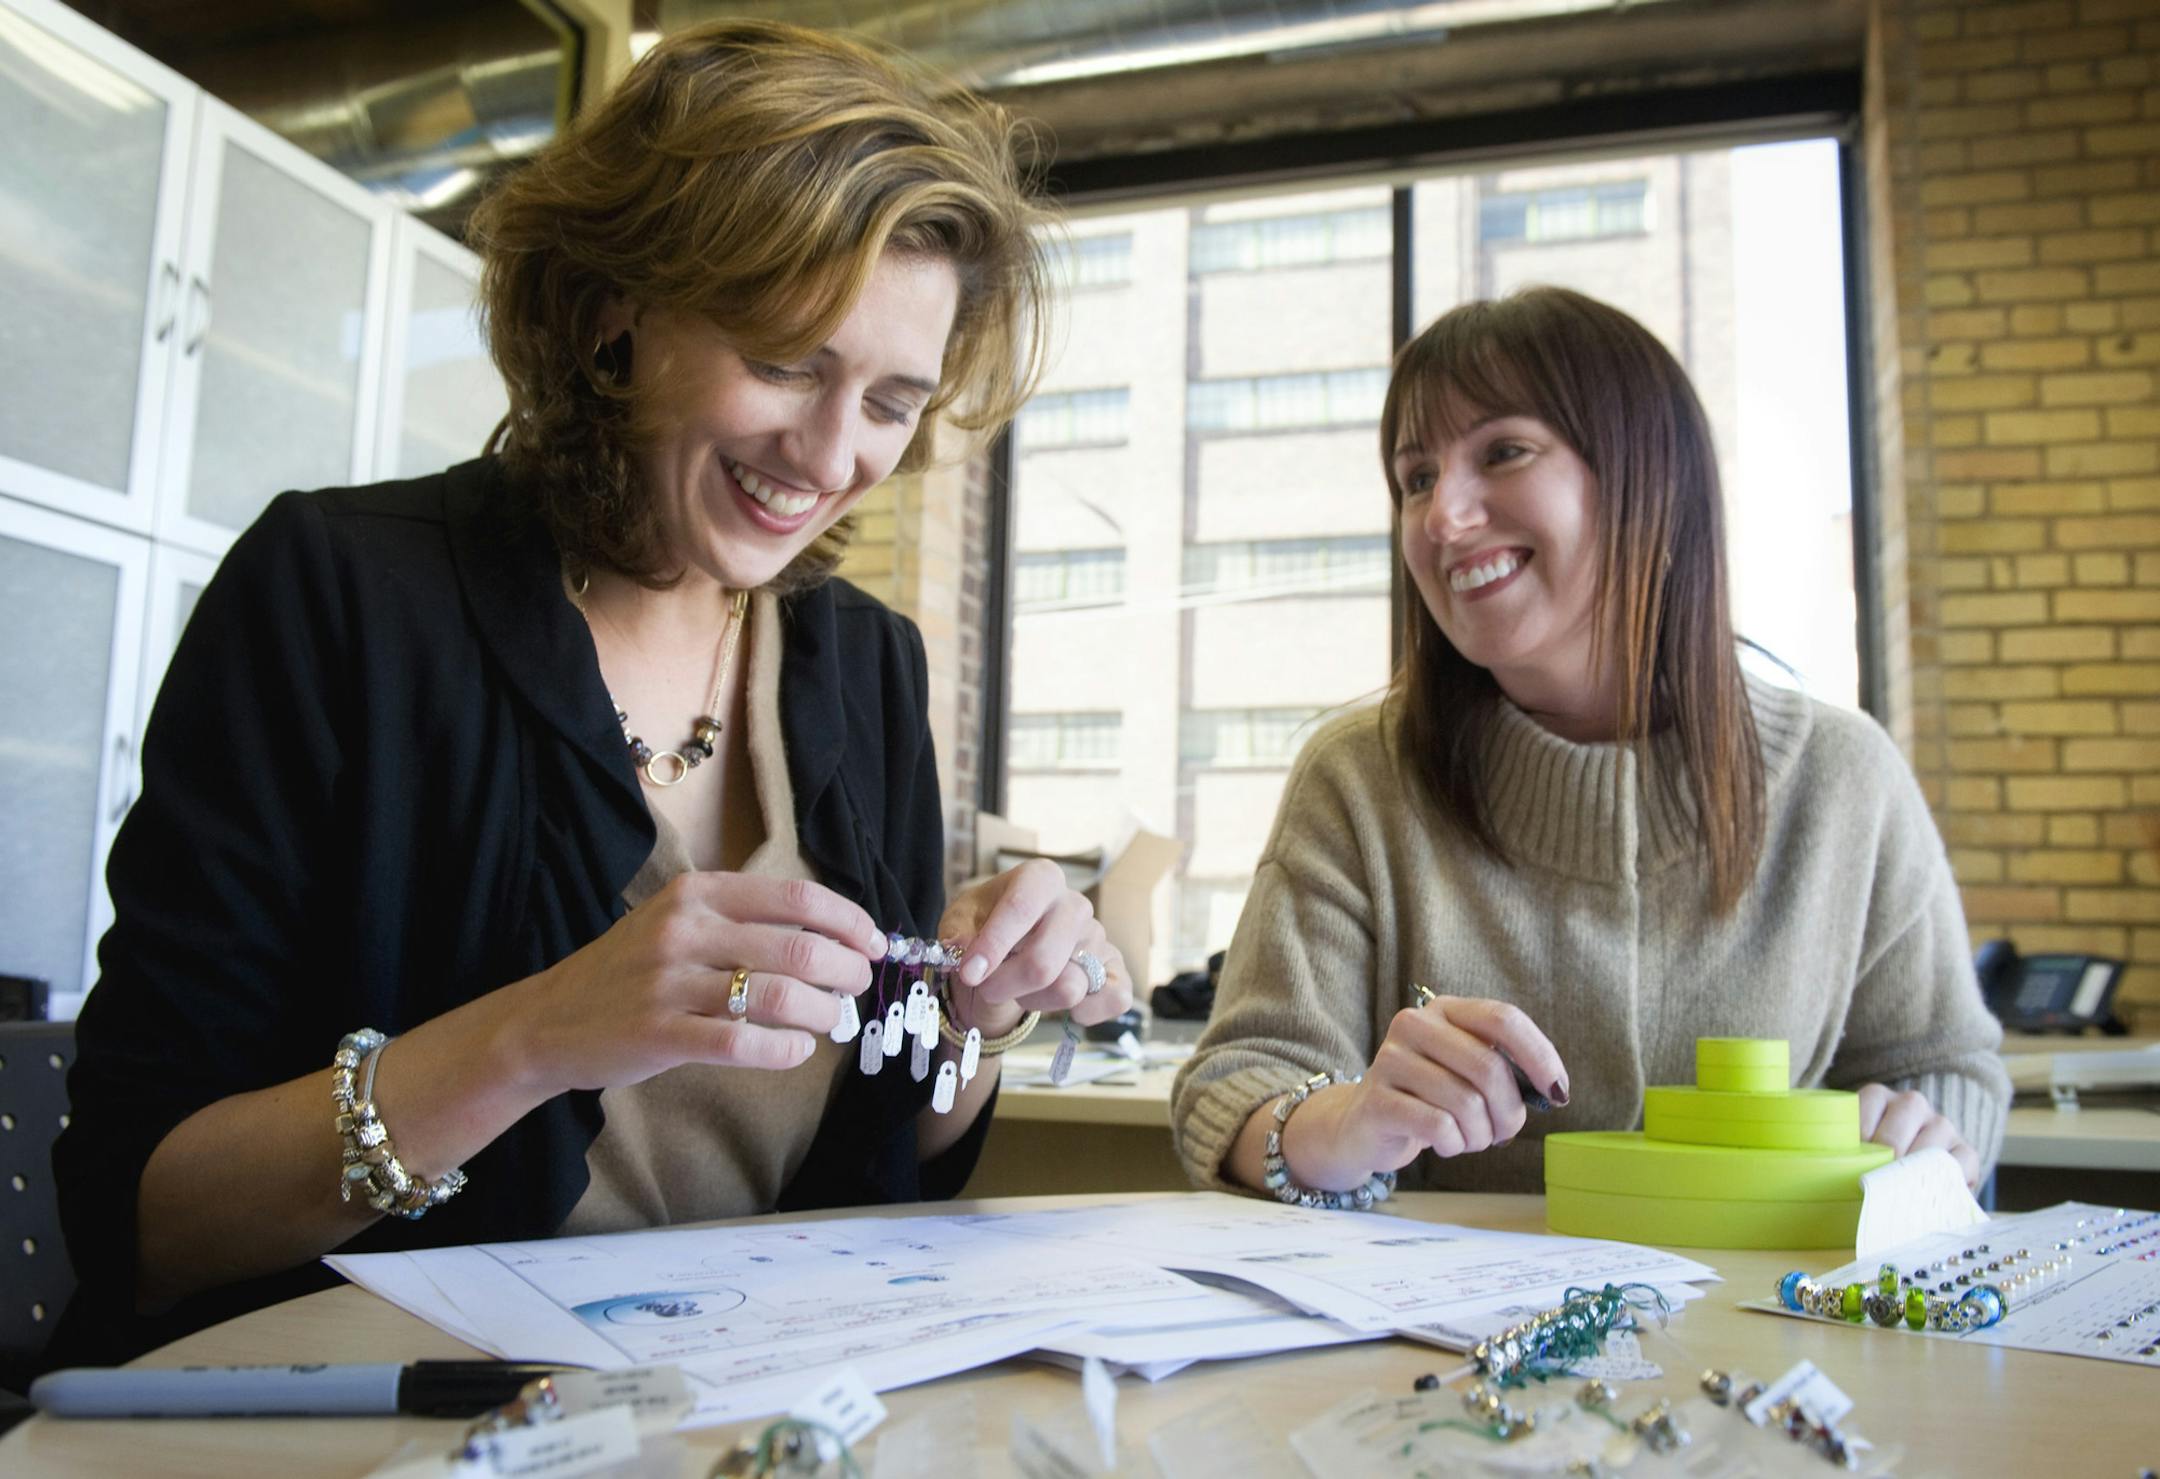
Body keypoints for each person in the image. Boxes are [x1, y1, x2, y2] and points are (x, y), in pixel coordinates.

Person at [51, 19, 1129, 1366]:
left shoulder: (865, 662)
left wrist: (969, 1016)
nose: (832, 452)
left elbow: (894, 1153)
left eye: (893, 401)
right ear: (618, 307)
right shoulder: (339, 594)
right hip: (376, 1419)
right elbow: (145, 1215)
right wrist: (538, 1032)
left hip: (754, 1413)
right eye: (788, 359)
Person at [1171, 286, 2008, 1209]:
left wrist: (1925, 1131)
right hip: (1443, 1341)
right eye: (1416, 478)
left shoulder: (1844, 782)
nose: (1443, 517)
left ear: (1644, 476)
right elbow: (1237, 1083)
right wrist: (1340, 1123)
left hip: (1769, 1326)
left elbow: (1945, 1066)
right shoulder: (1360, 778)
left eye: (1504, 452)